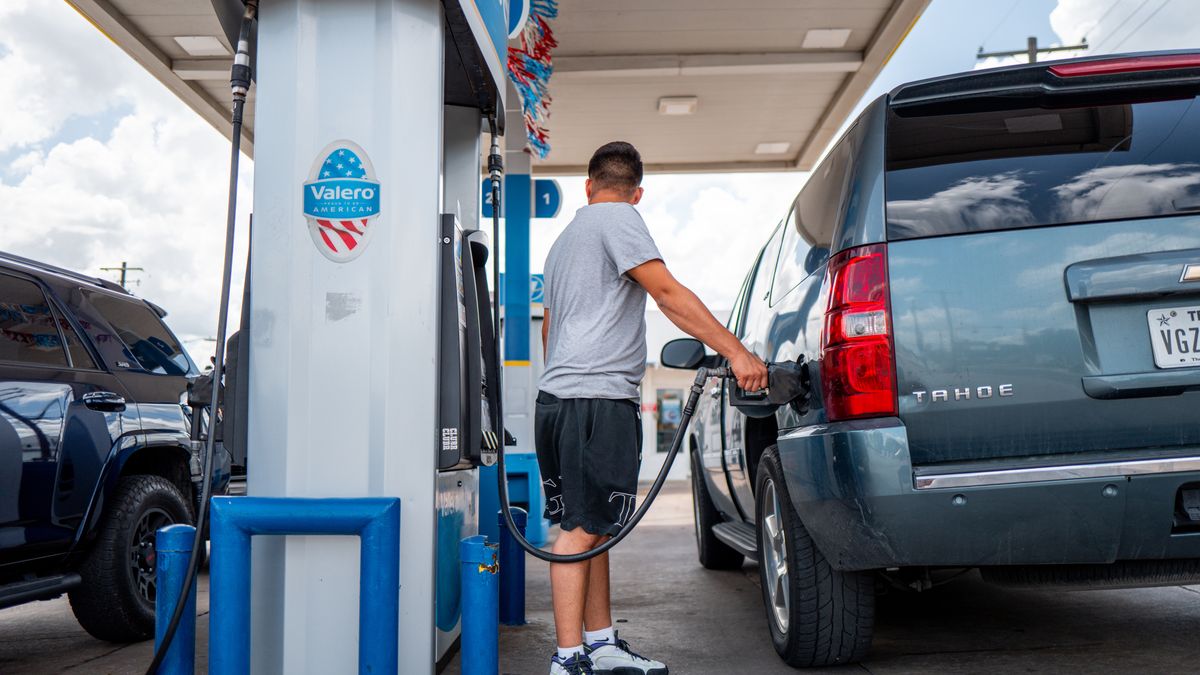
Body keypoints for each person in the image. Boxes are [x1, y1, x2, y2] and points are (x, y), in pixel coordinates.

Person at [537, 141, 768, 675]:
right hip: (596, 399)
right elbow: (665, 292)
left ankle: (600, 643)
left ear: (588, 184)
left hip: (560, 398)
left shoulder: (566, 239)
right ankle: (569, 660)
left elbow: (550, 326)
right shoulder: (620, 220)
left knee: (592, 524)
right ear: (636, 192)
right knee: (581, 530)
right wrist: (736, 352)